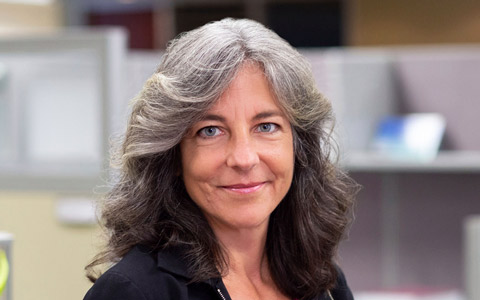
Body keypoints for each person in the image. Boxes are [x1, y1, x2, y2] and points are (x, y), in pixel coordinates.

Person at [84, 18, 358, 300]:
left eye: (266, 127)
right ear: (173, 155)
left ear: (298, 146)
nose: (244, 158)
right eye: (210, 131)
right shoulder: (134, 292)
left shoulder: (321, 279)